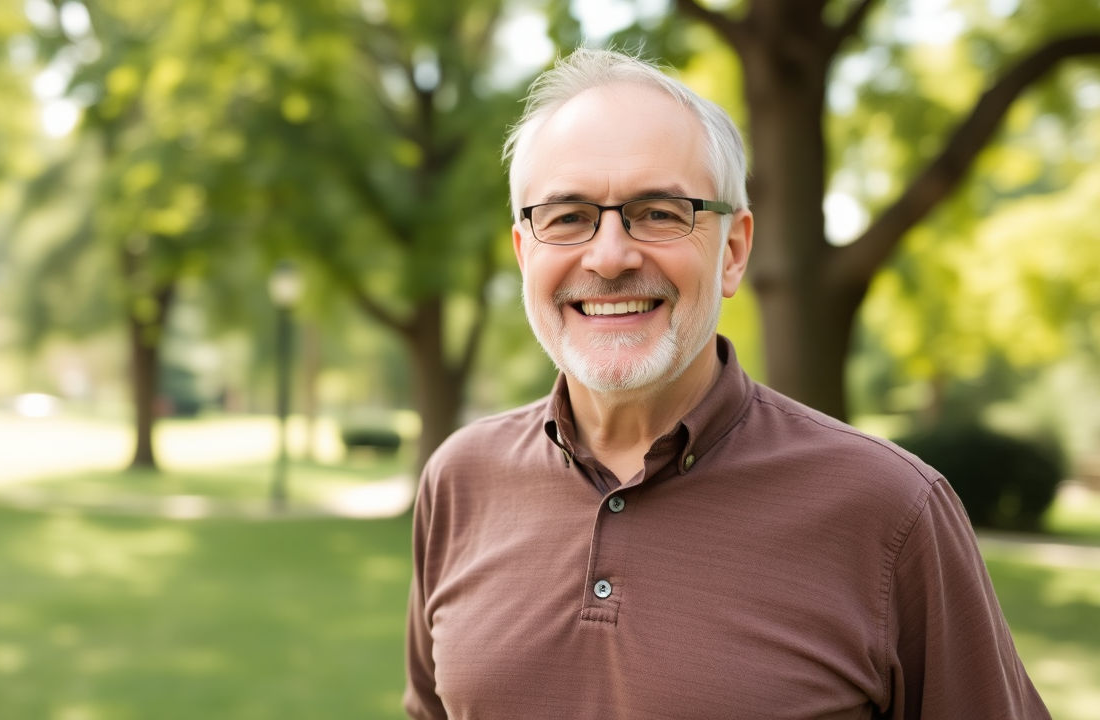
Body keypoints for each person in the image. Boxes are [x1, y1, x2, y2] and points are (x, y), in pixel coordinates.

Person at [403, 48, 1048, 719]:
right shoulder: (459, 482)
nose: (611, 256)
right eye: (567, 216)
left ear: (734, 252)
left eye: (658, 212)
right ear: (524, 251)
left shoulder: (891, 511)